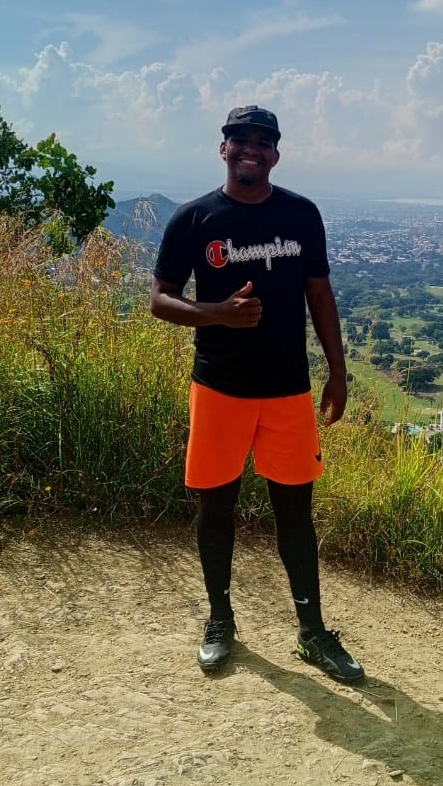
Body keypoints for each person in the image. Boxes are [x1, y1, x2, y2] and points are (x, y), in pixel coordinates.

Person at [150, 105, 364, 683]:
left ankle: (312, 631)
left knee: (296, 513)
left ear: (276, 153)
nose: (251, 148)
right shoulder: (194, 219)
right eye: (240, 139)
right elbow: (160, 299)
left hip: (287, 390)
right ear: (223, 148)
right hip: (219, 387)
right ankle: (220, 620)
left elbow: (319, 294)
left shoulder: (301, 214)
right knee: (215, 508)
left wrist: (338, 371)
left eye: (263, 141)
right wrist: (217, 313)